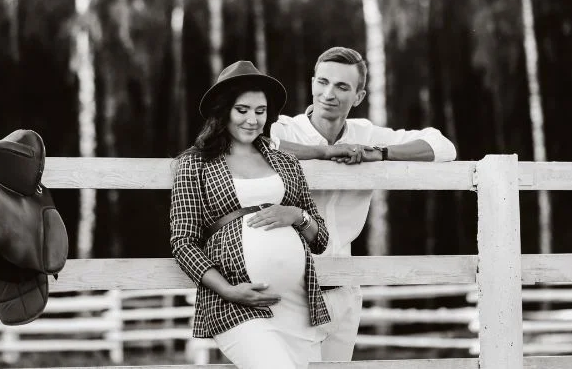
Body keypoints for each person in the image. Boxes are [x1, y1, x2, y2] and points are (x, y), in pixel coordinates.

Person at [270, 46, 458, 361]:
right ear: (312, 82)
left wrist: (379, 153)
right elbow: (255, 144)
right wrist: (323, 152)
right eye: (323, 82)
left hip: (344, 291)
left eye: (342, 87)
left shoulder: (365, 134)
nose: (328, 94)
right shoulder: (283, 128)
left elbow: (443, 146)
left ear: (358, 96)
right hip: (289, 291)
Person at [170, 60, 332, 369]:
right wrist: (229, 290)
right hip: (235, 302)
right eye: (242, 110)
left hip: (296, 303)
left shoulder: (287, 163)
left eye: (260, 111)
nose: (252, 120)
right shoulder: (196, 163)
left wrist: (296, 215)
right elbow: (183, 242)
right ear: (224, 111)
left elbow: (321, 239)